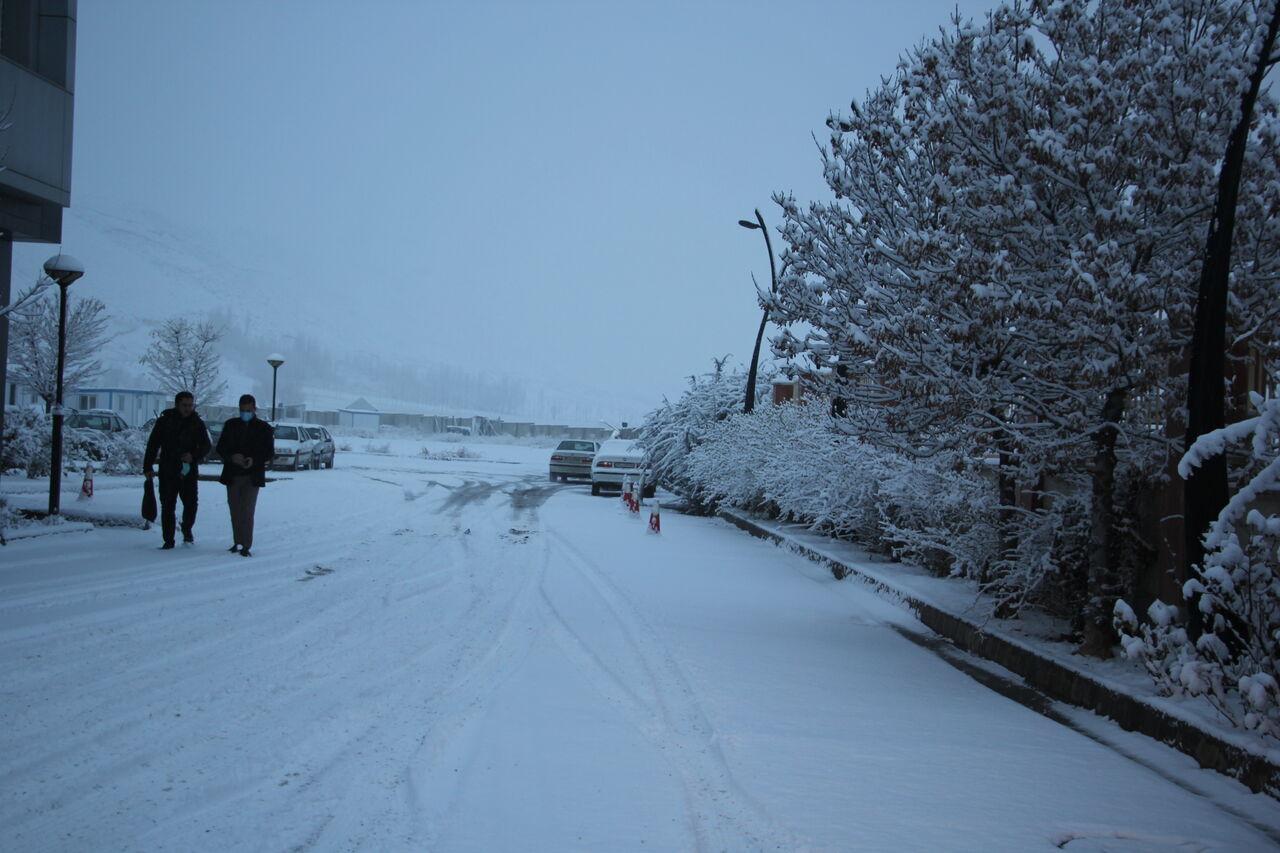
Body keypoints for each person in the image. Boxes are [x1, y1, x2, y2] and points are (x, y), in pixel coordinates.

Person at [144, 390, 212, 549]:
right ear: (177, 405)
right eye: (184, 405)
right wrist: (147, 466)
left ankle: (187, 527)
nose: (188, 409)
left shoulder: (197, 422)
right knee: (167, 505)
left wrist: (194, 455)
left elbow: (206, 445)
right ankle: (168, 540)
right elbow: (153, 445)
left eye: (190, 405)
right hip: (168, 469)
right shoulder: (165, 422)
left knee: (191, 504)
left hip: (188, 471)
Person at [216, 394, 274, 557]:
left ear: (254, 409)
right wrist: (232, 456)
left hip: (252, 476)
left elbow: (269, 452)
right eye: (242, 410)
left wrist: (253, 460)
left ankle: (246, 544)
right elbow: (221, 447)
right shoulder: (231, 425)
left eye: (248, 410)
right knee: (234, 509)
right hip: (233, 474)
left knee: (247, 511)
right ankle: (237, 541)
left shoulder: (264, 428)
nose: (245, 413)